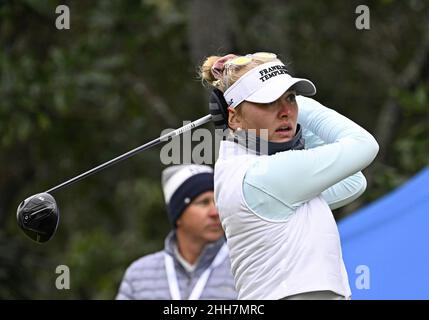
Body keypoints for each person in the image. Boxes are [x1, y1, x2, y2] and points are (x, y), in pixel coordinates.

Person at [199, 52, 379, 300]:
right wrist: (300, 107)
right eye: (268, 101)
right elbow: (364, 145)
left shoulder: (242, 167)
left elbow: (353, 181)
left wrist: (285, 106)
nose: (285, 112)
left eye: (291, 99)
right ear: (234, 117)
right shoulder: (261, 175)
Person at [116, 164, 237, 300]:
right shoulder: (138, 274)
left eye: (217, 202)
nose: (215, 212)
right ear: (178, 215)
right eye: (203, 202)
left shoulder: (245, 266)